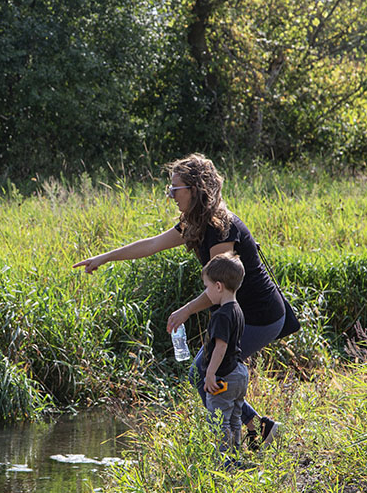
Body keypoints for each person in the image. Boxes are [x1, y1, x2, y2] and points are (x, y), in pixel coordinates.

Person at [73, 153, 280, 450]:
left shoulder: (221, 228)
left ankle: (236, 443)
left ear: (195, 189)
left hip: (260, 316)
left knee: (205, 370)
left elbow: (218, 288)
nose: (171, 195)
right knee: (206, 371)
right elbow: (152, 244)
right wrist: (103, 258)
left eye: (175, 188)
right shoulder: (197, 222)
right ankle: (258, 429)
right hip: (243, 314)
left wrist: (185, 311)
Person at [196, 253, 249, 457]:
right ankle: (236, 457)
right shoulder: (237, 310)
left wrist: (210, 373)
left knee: (219, 422)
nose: (206, 291)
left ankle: (223, 462)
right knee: (235, 418)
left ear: (218, 286)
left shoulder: (221, 315)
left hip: (224, 377)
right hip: (239, 373)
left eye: (207, 286)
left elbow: (221, 346)